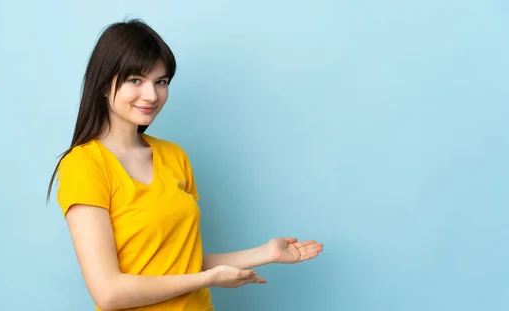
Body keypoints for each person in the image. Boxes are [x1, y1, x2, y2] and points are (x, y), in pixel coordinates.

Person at [46, 19, 323, 311]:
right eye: (135, 80)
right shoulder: (84, 165)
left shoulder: (174, 156)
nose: (152, 95)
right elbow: (109, 293)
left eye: (161, 82)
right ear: (103, 84)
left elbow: (180, 261)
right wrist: (206, 280)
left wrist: (266, 253)